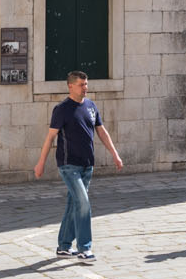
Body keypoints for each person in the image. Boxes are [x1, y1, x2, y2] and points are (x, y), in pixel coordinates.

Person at [34, 70, 122, 262]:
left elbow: (102, 132)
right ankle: (84, 248)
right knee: (83, 204)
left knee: (73, 204)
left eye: (86, 84)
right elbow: (50, 137)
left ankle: (64, 247)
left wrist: (115, 154)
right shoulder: (62, 109)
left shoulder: (91, 106)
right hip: (68, 165)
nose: (85, 88)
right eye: (82, 85)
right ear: (70, 86)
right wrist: (40, 163)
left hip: (87, 165)